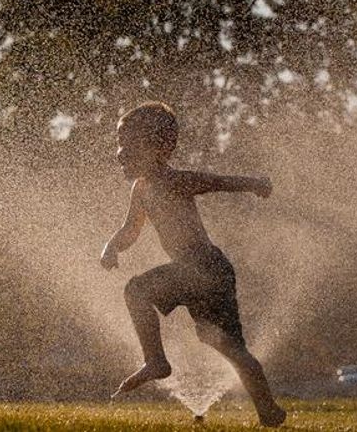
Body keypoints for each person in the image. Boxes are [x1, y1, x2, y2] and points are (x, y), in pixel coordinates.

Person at [101, 101, 287, 428]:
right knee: (223, 343)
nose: (119, 152)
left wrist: (254, 183)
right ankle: (269, 410)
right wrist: (112, 246)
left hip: (201, 266)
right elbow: (130, 230)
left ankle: (156, 361)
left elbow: (217, 181)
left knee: (136, 291)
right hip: (210, 270)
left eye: (127, 144)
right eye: (119, 143)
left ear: (159, 148)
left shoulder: (174, 180)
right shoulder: (141, 188)